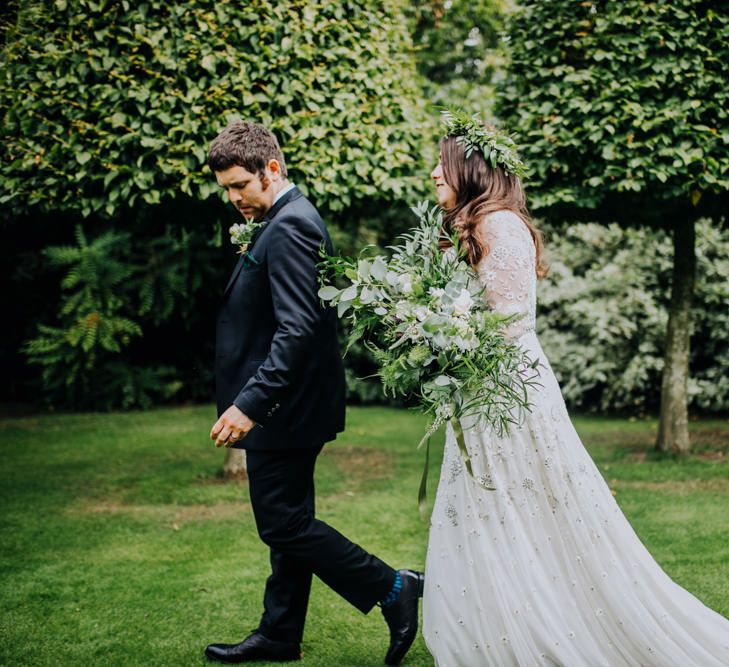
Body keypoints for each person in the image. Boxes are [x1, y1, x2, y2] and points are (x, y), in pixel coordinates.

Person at [422, 116, 729, 666]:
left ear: (468, 169)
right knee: (486, 503)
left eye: (441, 164)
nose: (432, 173)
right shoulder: (468, 227)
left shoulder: (499, 226)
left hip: (504, 388)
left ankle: (545, 624)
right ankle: (505, 621)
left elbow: (511, 322)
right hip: (475, 388)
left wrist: (442, 329)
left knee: (520, 499)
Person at [204, 121, 423, 665]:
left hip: (286, 408)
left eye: (239, 186)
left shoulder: (290, 226)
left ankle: (395, 588)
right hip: (292, 406)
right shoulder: (282, 218)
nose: (233, 199)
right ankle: (279, 634)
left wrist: (249, 404)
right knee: (289, 524)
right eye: (226, 189)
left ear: (271, 169)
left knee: (283, 523)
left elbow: (298, 329)